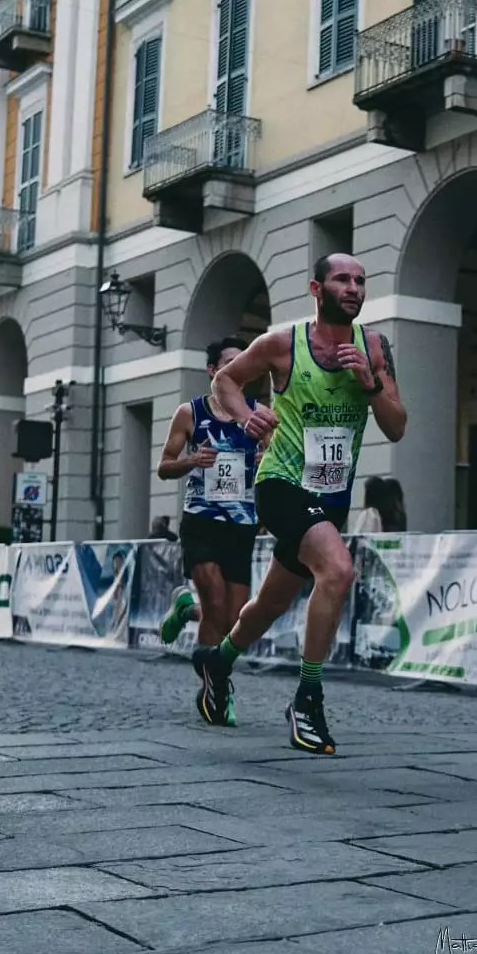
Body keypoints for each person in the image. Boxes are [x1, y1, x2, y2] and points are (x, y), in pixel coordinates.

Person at [198, 253, 407, 753]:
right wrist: (246, 416)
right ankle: (307, 699)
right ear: (317, 289)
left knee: (271, 602)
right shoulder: (282, 344)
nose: (354, 288)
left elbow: (397, 426)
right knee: (338, 570)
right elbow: (224, 381)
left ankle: (217, 661)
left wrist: (371, 385)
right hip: (281, 484)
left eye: (360, 280)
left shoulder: (374, 348)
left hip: (331, 498)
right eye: (342, 279)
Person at [154, 337, 262, 726]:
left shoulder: (259, 415)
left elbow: (278, 461)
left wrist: (266, 459)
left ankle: (187, 608)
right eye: (229, 362)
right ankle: (216, 689)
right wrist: (191, 461)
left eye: (243, 361)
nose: (237, 367)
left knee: (232, 620)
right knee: (215, 603)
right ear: (213, 370)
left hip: (242, 524)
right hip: (201, 519)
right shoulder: (190, 413)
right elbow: (164, 466)